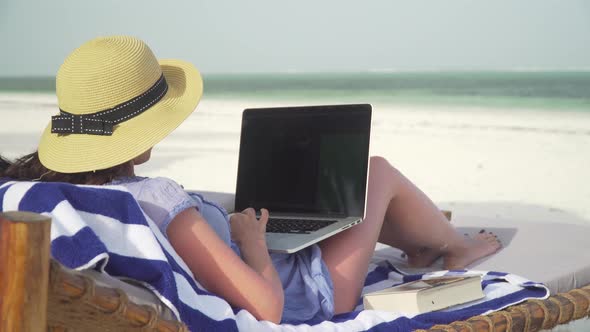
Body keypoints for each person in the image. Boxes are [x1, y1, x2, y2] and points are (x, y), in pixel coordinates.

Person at [0, 36, 501, 324]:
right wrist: (252, 243)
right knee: (376, 173)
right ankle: (455, 247)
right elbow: (266, 305)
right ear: (141, 129)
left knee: (333, 209)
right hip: (317, 291)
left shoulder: (73, 198)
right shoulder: (157, 200)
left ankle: (425, 247)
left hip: (270, 260)